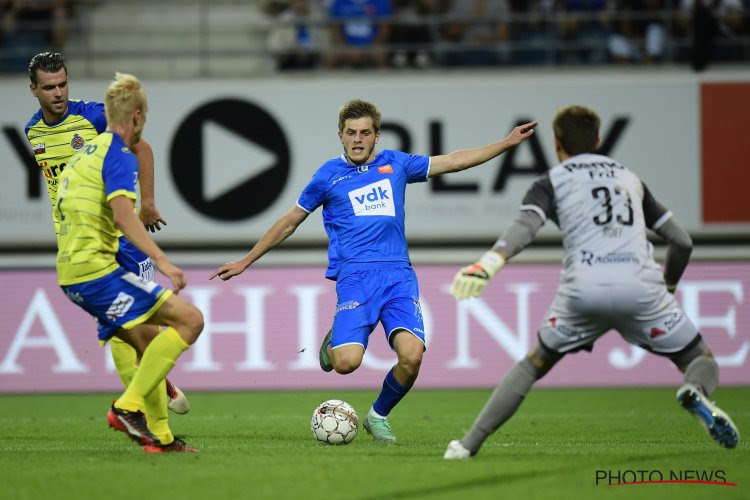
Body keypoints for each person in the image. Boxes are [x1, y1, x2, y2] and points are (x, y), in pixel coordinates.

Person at [211, 99, 537, 443]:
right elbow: (290, 221)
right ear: (340, 135)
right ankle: (336, 340)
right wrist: (247, 260)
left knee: (412, 357)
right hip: (355, 277)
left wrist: (505, 144)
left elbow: (454, 161)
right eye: (351, 133)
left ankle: (378, 415)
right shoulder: (327, 175)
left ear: (376, 135)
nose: (357, 139)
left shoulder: (396, 164)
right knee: (346, 363)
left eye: (365, 132)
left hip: (398, 275)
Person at [443, 104, 740, 460]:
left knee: (533, 363)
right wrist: (669, 288)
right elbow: (682, 242)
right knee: (699, 358)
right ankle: (695, 392)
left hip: (584, 291)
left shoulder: (551, 181)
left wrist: (490, 262)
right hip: (642, 289)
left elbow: (525, 228)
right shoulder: (630, 179)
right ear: (598, 140)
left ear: (557, 144)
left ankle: (467, 446)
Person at [25, 53, 191, 427]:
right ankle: (150, 415)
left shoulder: (94, 117)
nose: (58, 93)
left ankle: (146, 409)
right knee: (126, 329)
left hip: (122, 238)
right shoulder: (33, 132)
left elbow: (142, 148)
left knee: (139, 328)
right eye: (49, 87)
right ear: (33, 90)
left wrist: (147, 203)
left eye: (63, 84)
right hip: (78, 242)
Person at [55, 72, 204, 452]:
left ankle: (160, 438)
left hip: (71, 271)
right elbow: (124, 216)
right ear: (137, 117)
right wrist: (164, 263)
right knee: (190, 320)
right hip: (97, 271)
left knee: (143, 343)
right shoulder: (118, 154)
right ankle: (127, 407)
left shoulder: (82, 156)